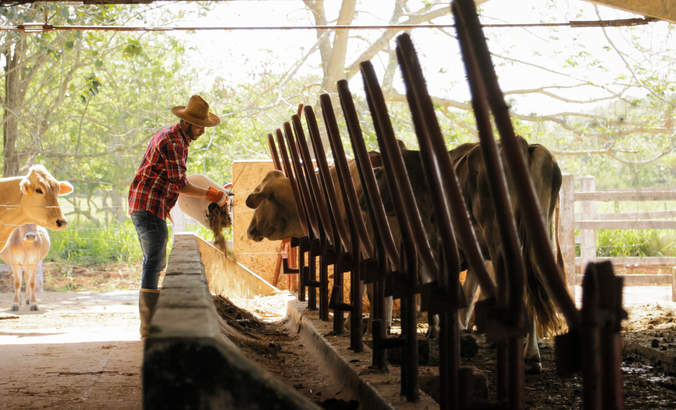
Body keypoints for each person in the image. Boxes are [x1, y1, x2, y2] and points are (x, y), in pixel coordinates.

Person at [128, 94, 229, 338]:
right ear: (187, 124)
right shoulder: (175, 142)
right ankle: (148, 326)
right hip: (148, 206)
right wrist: (214, 194)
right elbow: (181, 184)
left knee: (154, 261)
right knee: (154, 262)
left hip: (148, 204)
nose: (202, 131)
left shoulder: (170, 136)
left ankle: (150, 323)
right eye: (200, 126)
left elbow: (167, 181)